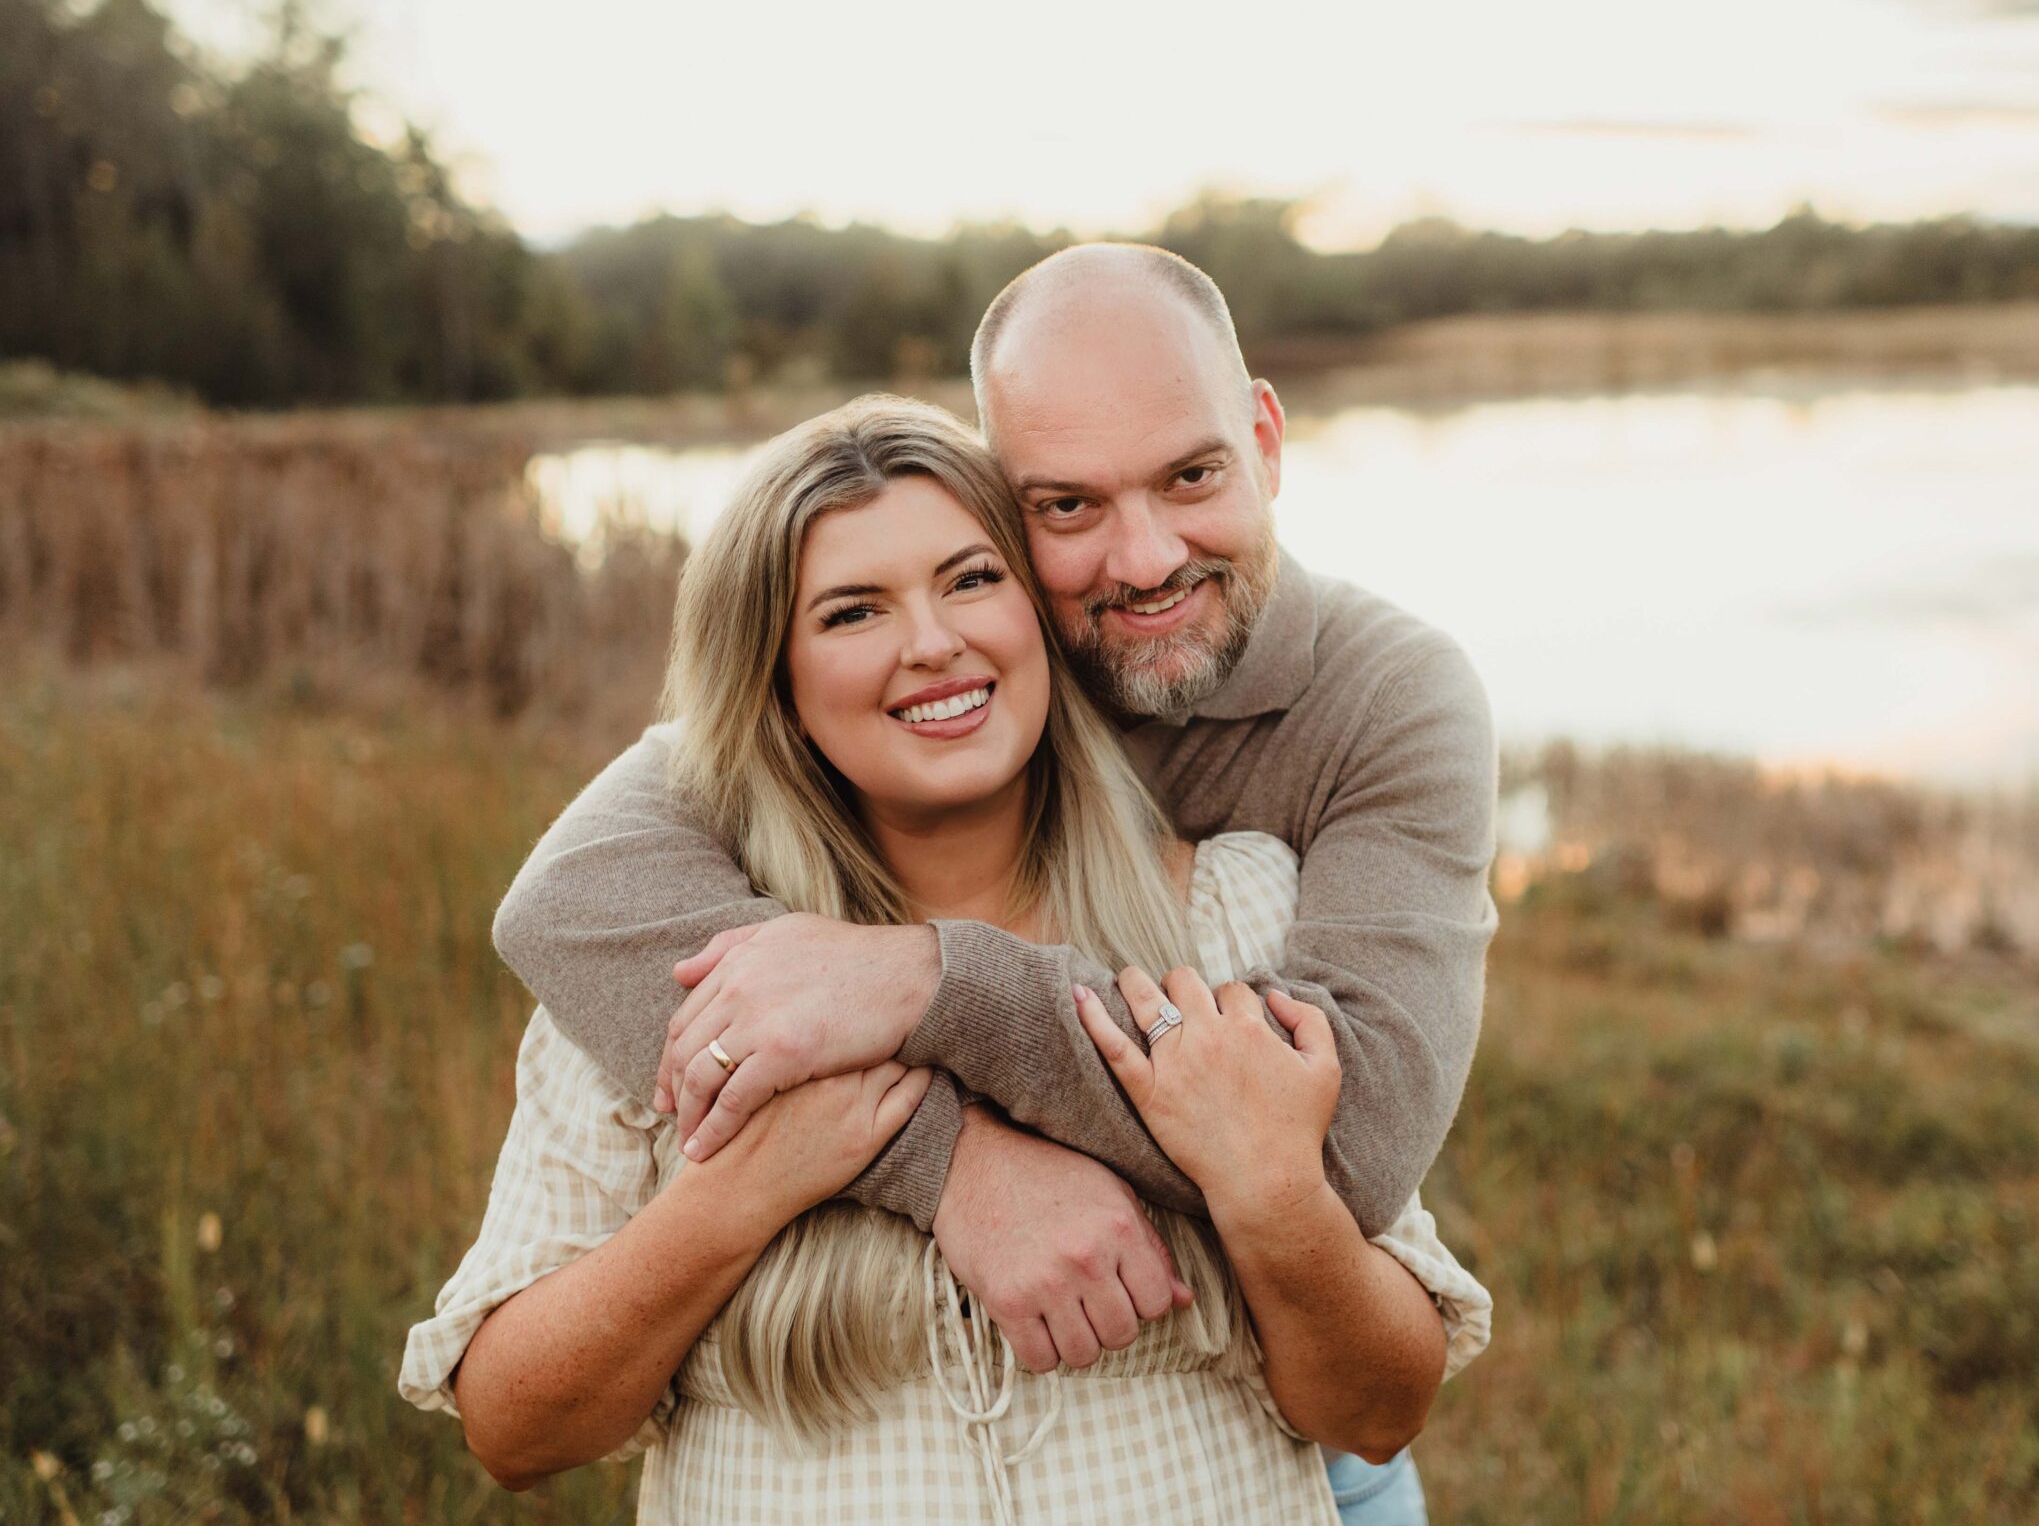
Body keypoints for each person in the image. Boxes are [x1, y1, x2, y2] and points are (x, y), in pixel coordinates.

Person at [488, 242, 1499, 1516]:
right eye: (1067, 506)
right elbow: (570, 891)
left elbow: (1342, 1156)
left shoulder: (1379, 710)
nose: (1139, 560)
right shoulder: (964, 632)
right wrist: (942, 1157)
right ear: (1012, 506)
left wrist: (924, 981)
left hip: (1272, 1423)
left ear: (1265, 439)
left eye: (1191, 475)